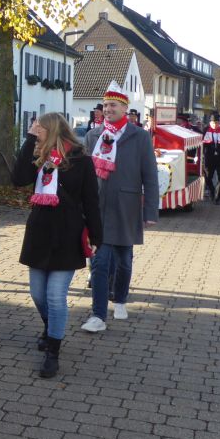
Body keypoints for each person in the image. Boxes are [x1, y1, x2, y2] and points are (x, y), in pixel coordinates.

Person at [12, 113, 102, 378]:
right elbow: (18, 179)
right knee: (38, 294)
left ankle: (53, 351)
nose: (36, 131)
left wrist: (97, 236)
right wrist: (29, 140)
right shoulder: (39, 156)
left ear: (53, 130)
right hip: (39, 232)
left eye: (39, 128)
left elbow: (91, 201)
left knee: (54, 296)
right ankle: (51, 327)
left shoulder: (81, 160)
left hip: (67, 234)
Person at [81, 81, 159, 333]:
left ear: (125, 108)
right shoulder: (93, 135)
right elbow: (83, 174)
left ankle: (121, 299)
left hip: (126, 207)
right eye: (105, 105)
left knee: (124, 261)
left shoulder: (139, 136)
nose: (108, 109)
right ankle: (98, 315)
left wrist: (150, 211)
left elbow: (150, 176)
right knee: (99, 263)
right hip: (98, 208)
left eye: (113, 105)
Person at [202, 112, 220, 204]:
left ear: (219, 122)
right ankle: (212, 191)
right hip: (209, 158)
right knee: (208, 178)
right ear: (210, 122)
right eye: (213, 123)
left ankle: (217, 197)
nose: (215, 124)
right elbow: (202, 145)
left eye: (216, 123)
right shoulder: (206, 130)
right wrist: (201, 156)